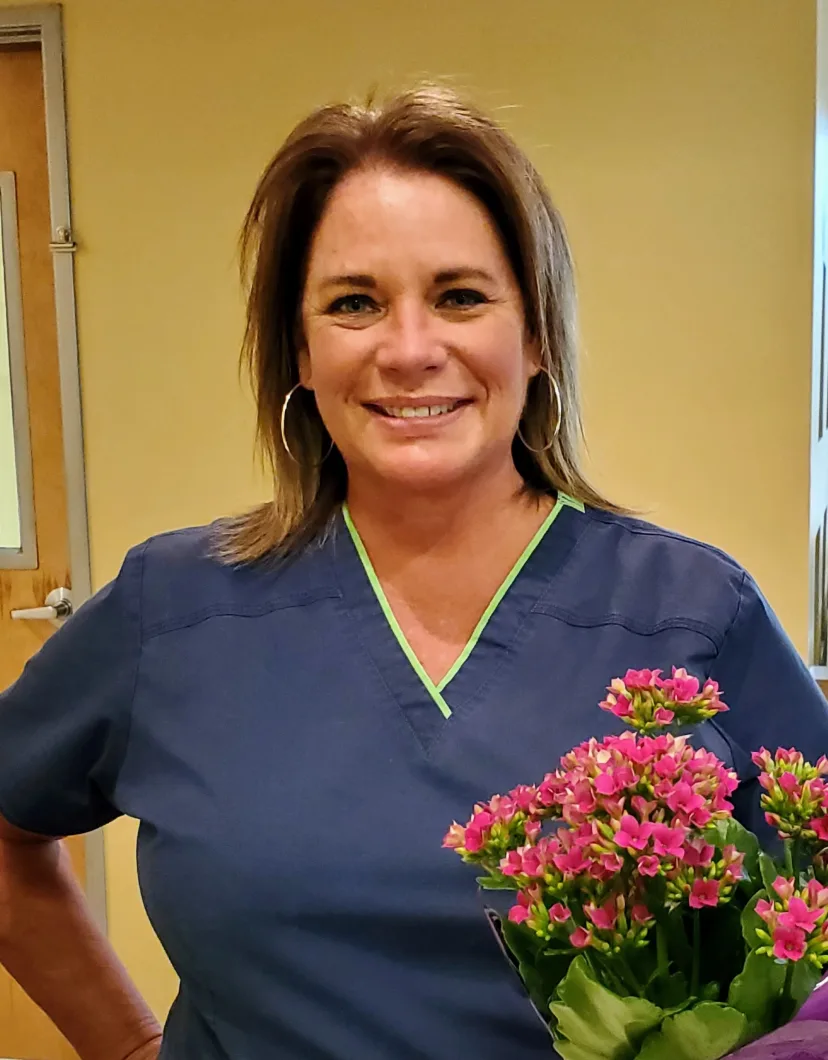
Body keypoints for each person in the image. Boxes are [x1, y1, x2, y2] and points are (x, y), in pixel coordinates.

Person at [0, 84, 826, 1060]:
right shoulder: (174, 610)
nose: (409, 349)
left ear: (537, 337)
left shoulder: (692, 615)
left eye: (461, 295)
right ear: (297, 354)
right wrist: (129, 1044)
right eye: (354, 303)